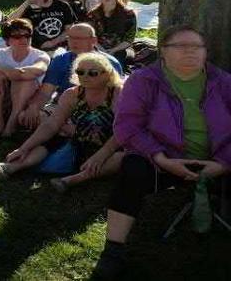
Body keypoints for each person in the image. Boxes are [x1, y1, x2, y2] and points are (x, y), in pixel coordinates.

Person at [93, 27, 231, 280]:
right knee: (132, 168)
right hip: (163, 159)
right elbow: (128, 127)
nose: (190, 51)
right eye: (180, 46)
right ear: (163, 53)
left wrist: (223, 163)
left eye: (197, 47)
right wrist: (161, 158)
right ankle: (113, 250)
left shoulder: (224, 82)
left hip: (220, 160)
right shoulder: (143, 81)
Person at [0, 52, 125, 191]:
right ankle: (7, 168)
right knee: (50, 139)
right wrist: (23, 148)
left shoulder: (118, 94)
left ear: (108, 74)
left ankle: (72, 180)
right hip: (79, 143)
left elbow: (123, 131)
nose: (85, 76)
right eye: (80, 72)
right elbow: (52, 124)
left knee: (122, 157)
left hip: (110, 146)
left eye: (93, 73)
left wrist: (101, 155)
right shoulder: (72, 94)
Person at [19, 23, 123, 130]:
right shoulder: (61, 60)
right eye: (70, 38)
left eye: (78, 38)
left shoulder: (110, 63)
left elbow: (115, 96)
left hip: (96, 109)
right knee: (26, 116)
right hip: (63, 105)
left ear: (94, 41)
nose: (74, 42)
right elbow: (46, 91)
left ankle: (61, 130)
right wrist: (34, 106)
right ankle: (67, 130)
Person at [0, 18, 50, 136]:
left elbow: (38, 69)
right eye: (17, 37)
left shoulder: (40, 55)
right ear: (7, 40)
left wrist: (9, 74)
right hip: (3, 97)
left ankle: (11, 124)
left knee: (26, 81)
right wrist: (3, 70)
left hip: (29, 101)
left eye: (27, 35)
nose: (24, 39)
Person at [6, 0, 77, 52]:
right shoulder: (30, 8)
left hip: (59, 46)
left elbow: (69, 29)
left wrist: (53, 42)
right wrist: (27, 2)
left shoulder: (62, 6)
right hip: (34, 48)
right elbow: (9, 22)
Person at [85, 0, 137, 66]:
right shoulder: (92, 14)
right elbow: (88, 35)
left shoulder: (129, 14)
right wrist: (101, 50)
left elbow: (129, 39)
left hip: (120, 49)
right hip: (96, 48)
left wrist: (113, 50)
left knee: (116, 67)